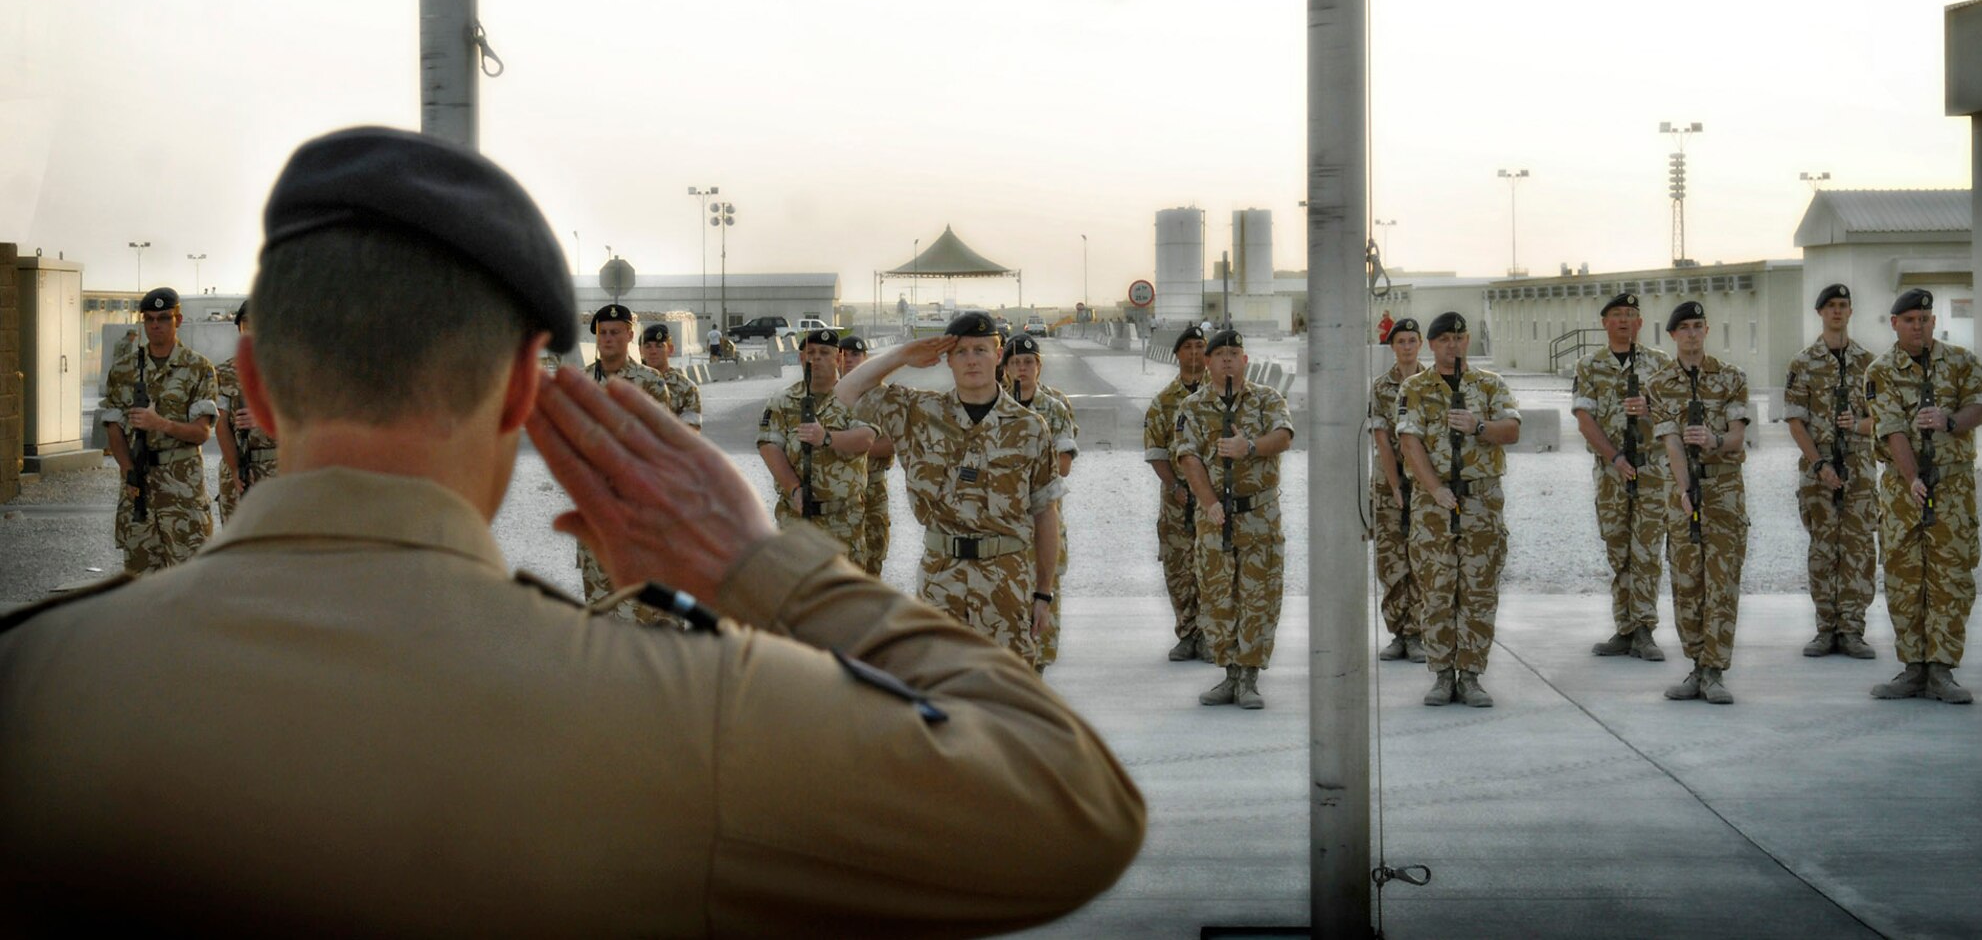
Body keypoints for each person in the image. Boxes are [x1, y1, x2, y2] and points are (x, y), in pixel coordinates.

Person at [0, 126, 1145, 935]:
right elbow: (1068, 805)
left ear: (251, 387)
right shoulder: (681, 709)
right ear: (518, 393)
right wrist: (765, 569)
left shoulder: (36, 684)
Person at [834, 311, 1064, 668]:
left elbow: (1045, 512)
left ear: (998, 354)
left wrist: (1044, 593)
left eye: (981, 350)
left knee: (1009, 694)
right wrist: (903, 355)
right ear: (948, 360)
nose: (971, 360)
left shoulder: (1030, 428)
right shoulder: (920, 413)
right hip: (942, 577)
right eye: (961, 352)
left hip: (1006, 577)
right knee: (940, 691)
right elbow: (846, 389)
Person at [1864, 288, 1982, 704]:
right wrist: (1913, 477)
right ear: (1894, 323)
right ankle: (1913, 668)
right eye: (1911, 319)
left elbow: (1980, 406)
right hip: (1903, 491)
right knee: (1904, 576)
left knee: (1950, 578)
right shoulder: (1880, 371)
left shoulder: (1961, 362)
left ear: (1934, 322)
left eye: (1925, 319)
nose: (1919, 326)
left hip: (1953, 487)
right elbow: (1891, 428)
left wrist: (1950, 420)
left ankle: (1942, 670)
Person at [1397, 313, 1520, 708]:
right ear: (1431, 345)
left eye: (1459, 338)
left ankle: (1470, 674)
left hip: (1480, 501)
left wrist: (1478, 426)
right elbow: (1409, 443)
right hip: (1435, 505)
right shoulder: (1415, 388)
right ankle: (1441, 673)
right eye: (1445, 339)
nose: (1453, 345)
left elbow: (1512, 429)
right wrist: (1434, 489)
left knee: (1478, 589)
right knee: (1436, 590)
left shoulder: (1489, 385)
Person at [1175, 329, 1294, 709]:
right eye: (1219, 353)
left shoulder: (1266, 399)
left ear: (1245, 361)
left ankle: (1249, 677)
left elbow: (1284, 435)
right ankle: (1228, 674)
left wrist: (1250, 447)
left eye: (1234, 353)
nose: (1227, 359)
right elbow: (1188, 457)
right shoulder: (1192, 407)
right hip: (1216, 518)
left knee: (1259, 596)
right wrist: (1208, 502)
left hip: (1258, 515)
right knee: (1217, 596)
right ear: (1206, 362)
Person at [1648, 301, 1753, 706]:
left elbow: (1737, 436)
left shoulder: (1730, 379)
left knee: (1722, 581)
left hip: (1724, 490)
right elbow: (1670, 440)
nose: (1692, 334)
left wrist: (1713, 441)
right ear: (1672, 336)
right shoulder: (1660, 385)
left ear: (1706, 331)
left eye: (1697, 326)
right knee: (1687, 580)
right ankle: (1695, 664)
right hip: (1684, 492)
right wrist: (1684, 485)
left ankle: (1715, 670)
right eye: (1684, 328)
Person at [1570, 291, 1671, 661]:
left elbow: (1674, 414)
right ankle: (1624, 628)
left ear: (1641, 322)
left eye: (1630, 314)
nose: (1624, 321)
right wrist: (1613, 457)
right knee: (1618, 548)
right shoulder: (1589, 365)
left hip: (1650, 469)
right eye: (1617, 315)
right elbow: (1584, 418)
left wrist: (1651, 408)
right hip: (1611, 471)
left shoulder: (1660, 364)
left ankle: (1644, 628)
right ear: (1605, 322)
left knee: (1646, 549)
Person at [1784, 284, 1879, 659]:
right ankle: (1826, 628)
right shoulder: (1803, 363)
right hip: (1817, 469)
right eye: (1830, 307)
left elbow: (1884, 419)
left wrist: (1857, 425)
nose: (1837, 312)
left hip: (1859, 469)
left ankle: (1853, 630)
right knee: (1823, 549)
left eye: (1843, 306)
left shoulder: (1870, 364)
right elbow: (1795, 421)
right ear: (1820, 313)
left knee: (1857, 548)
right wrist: (1819, 464)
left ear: (1851, 312)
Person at [98, 286, 218, 573]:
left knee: (187, 576)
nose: (155, 325)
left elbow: (202, 433)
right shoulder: (124, 370)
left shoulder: (198, 368)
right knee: (140, 579)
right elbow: (114, 429)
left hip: (182, 489)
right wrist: (129, 473)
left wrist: (160, 424)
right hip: (138, 486)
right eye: (149, 319)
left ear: (178, 320)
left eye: (163, 318)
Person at [758, 329, 877, 569]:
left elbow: (866, 438)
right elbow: (769, 446)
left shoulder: (855, 398)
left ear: (838, 358)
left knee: (844, 597)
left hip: (844, 520)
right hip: (797, 519)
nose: (817, 358)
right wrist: (794, 489)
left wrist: (826, 438)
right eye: (810, 353)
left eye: (825, 352)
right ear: (801, 359)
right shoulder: (783, 400)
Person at [578, 303, 672, 609]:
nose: (608, 339)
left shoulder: (651, 383)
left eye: (615, 332)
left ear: (630, 335)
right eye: (603, 333)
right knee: (600, 608)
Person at [1003, 334, 1079, 672]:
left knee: (1044, 591)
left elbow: (1062, 466)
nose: (1022, 368)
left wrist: (1019, 461)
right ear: (1004, 368)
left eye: (1029, 362)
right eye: (1015, 362)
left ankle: (1038, 672)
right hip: (1002, 520)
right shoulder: (991, 404)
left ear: (1039, 366)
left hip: (1042, 518)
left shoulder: (1054, 408)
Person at [1143, 325, 1208, 661]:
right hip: (1177, 502)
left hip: (1214, 501)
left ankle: (1212, 634)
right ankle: (1186, 632)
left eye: (1200, 346)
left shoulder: (1222, 395)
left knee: (1213, 568)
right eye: (1188, 348)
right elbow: (1155, 451)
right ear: (1178, 355)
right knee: (1179, 569)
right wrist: (1175, 486)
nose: (1195, 353)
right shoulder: (1164, 402)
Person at [1368, 317, 1425, 662]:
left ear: (1421, 344)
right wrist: (1395, 486)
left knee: (1421, 558)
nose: (1406, 347)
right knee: (1391, 560)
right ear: (1392, 347)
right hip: (1390, 484)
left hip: (1424, 482)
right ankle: (1398, 632)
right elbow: (1382, 439)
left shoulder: (1434, 383)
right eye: (1400, 341)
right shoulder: (1381, 387)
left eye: (1411, 341)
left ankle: (1417, 631)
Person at [215, 300, 279, 524]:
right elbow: (220, 424)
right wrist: (234, 470)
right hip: (239, 471)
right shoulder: (223, 373)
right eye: (246, 324)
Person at [838, 335, 896, 576]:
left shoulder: (883, 397)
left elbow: (892, 442)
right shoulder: (827, 394)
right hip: (838, 487)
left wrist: (851, 444)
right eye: (845, 354)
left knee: (873, 551)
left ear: (866, 359)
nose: (849, 360)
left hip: (872, 484)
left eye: (855, 354)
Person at [638, 322, 704, 432]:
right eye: (648, 346)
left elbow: (690, 433)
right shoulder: (630, 384)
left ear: (670, 349)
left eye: (659, 346)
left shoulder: (687, 388)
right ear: (640, 351)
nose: (653, 351)